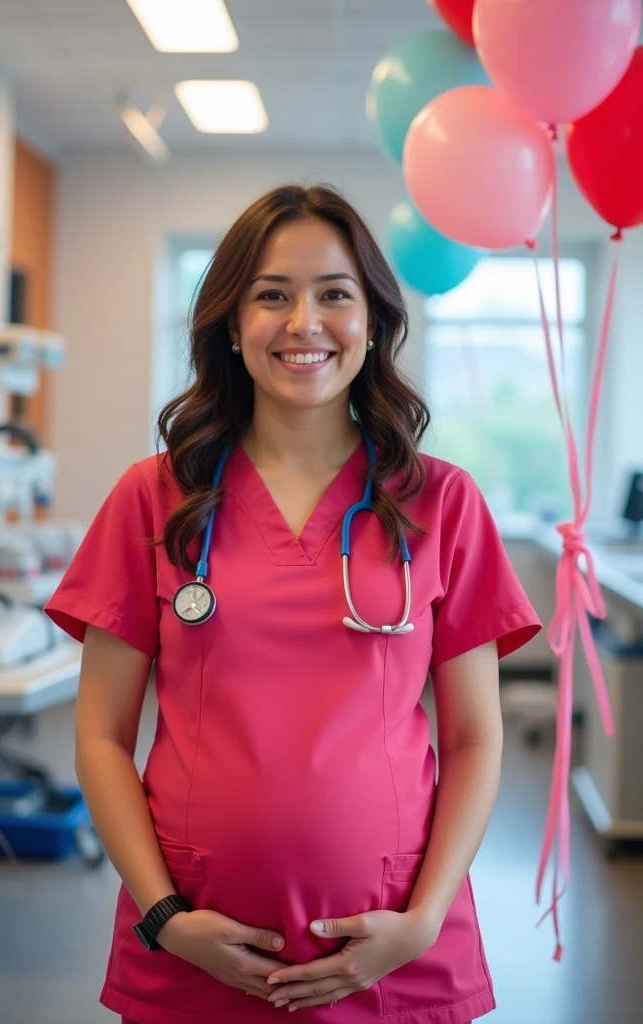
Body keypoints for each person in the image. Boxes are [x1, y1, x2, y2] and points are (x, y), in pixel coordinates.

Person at [44, 183, 541, 1024]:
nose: (303, 322)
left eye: (334, 295)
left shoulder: (440, 503)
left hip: (395, 954)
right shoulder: (154, 499)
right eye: (271, 294)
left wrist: (420, 925)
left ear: (375, 322)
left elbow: (474, 737)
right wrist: (167, 921)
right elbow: (99, 736)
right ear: (232, 326)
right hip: (193, 948)